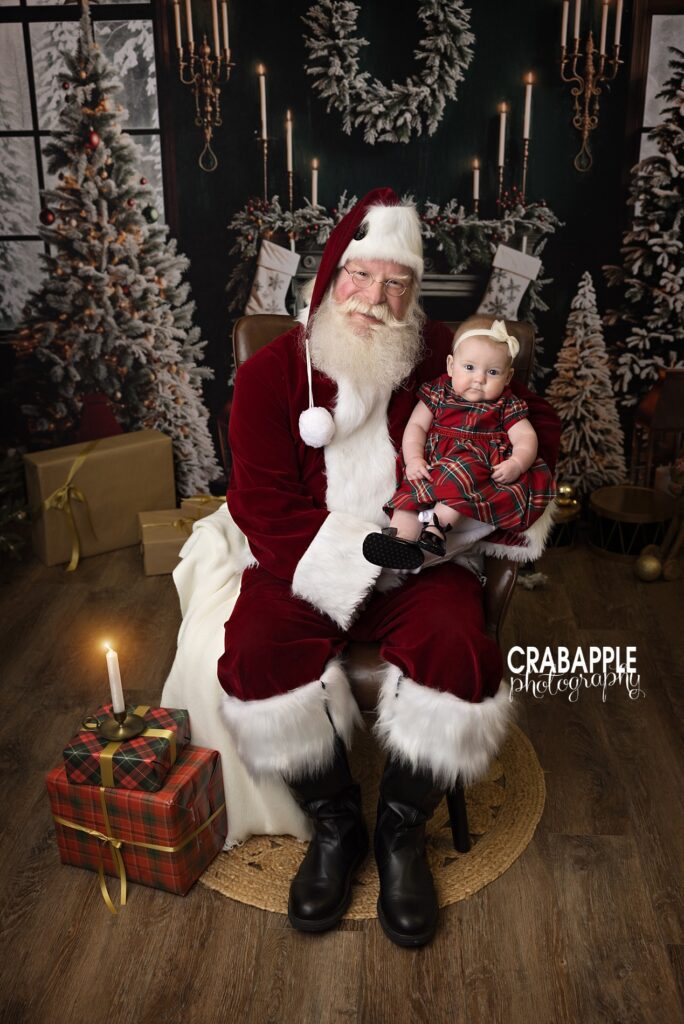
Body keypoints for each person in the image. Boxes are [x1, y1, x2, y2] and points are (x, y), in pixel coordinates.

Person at [217, 188, 560, 947]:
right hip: (306, 562)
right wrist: (363, 556)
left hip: (425, 564)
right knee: (254, 655)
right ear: (331, 277)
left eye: (396, 283)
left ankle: (400, 832)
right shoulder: (272, 374)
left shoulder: (444, 351)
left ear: (414, 292)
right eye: (361, 277)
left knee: (462, 655)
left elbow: (534, 419)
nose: (376, 299)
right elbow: (262, 504)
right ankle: (334, 825)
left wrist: (497, 484)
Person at [363, 315, 557, 571]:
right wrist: (413, 459)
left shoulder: (506, 404)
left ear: (508, 377)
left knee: (461, 478)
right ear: (451, 365)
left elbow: (525, 437)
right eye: (469, 368)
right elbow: (416, 427)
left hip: (474, 464)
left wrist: (518, 463)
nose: (479, 379)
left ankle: (436, 529)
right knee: (409, 497)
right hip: (431, 463)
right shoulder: (437, 391)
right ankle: (400, 541)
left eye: (492, 372)